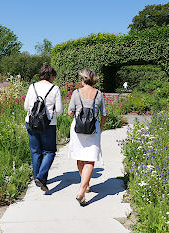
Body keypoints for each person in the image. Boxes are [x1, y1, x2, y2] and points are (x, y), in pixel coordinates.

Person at [68, 69, 107, 206]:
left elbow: (70, 113)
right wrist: (100, 128)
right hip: (93, 129)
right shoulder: (99, 94)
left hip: (77, 129)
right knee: (90, 160)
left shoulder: (76, 93)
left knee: (80, 158)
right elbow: (104, 114)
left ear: (83, 80)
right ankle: (82, 189)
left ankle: (84, 187)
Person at [24, 64, 63, 192]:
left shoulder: (32, 86)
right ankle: (41, 177)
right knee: (49, 151)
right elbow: (59, 110)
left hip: (31, 123)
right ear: (51, 75)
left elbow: (26, 107)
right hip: (48, 125)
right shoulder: (55, 88)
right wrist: (49, 113)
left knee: (35, 151)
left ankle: (37, 178)